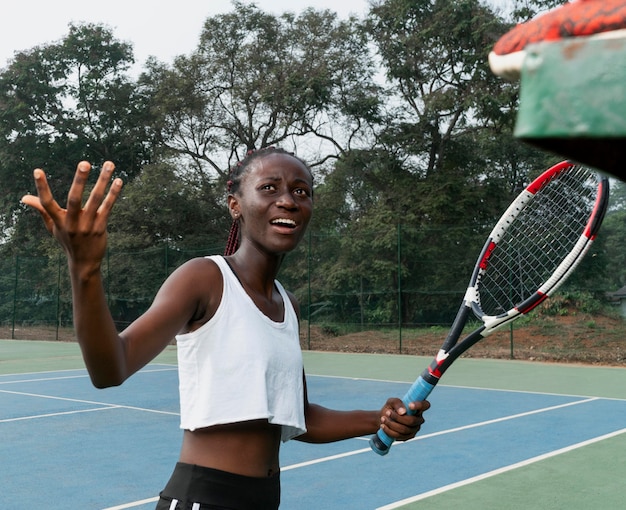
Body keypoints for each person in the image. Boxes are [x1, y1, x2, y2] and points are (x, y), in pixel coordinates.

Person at [21, 147, 430, 510]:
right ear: (235, 204)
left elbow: (298, 416)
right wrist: (85, 268)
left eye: (300, 191)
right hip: (205, 497)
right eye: (269, 188)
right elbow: (112, 368)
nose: (287, 200)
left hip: (264, 500)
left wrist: (379, 418)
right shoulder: (204, 278)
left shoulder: (287, 303)